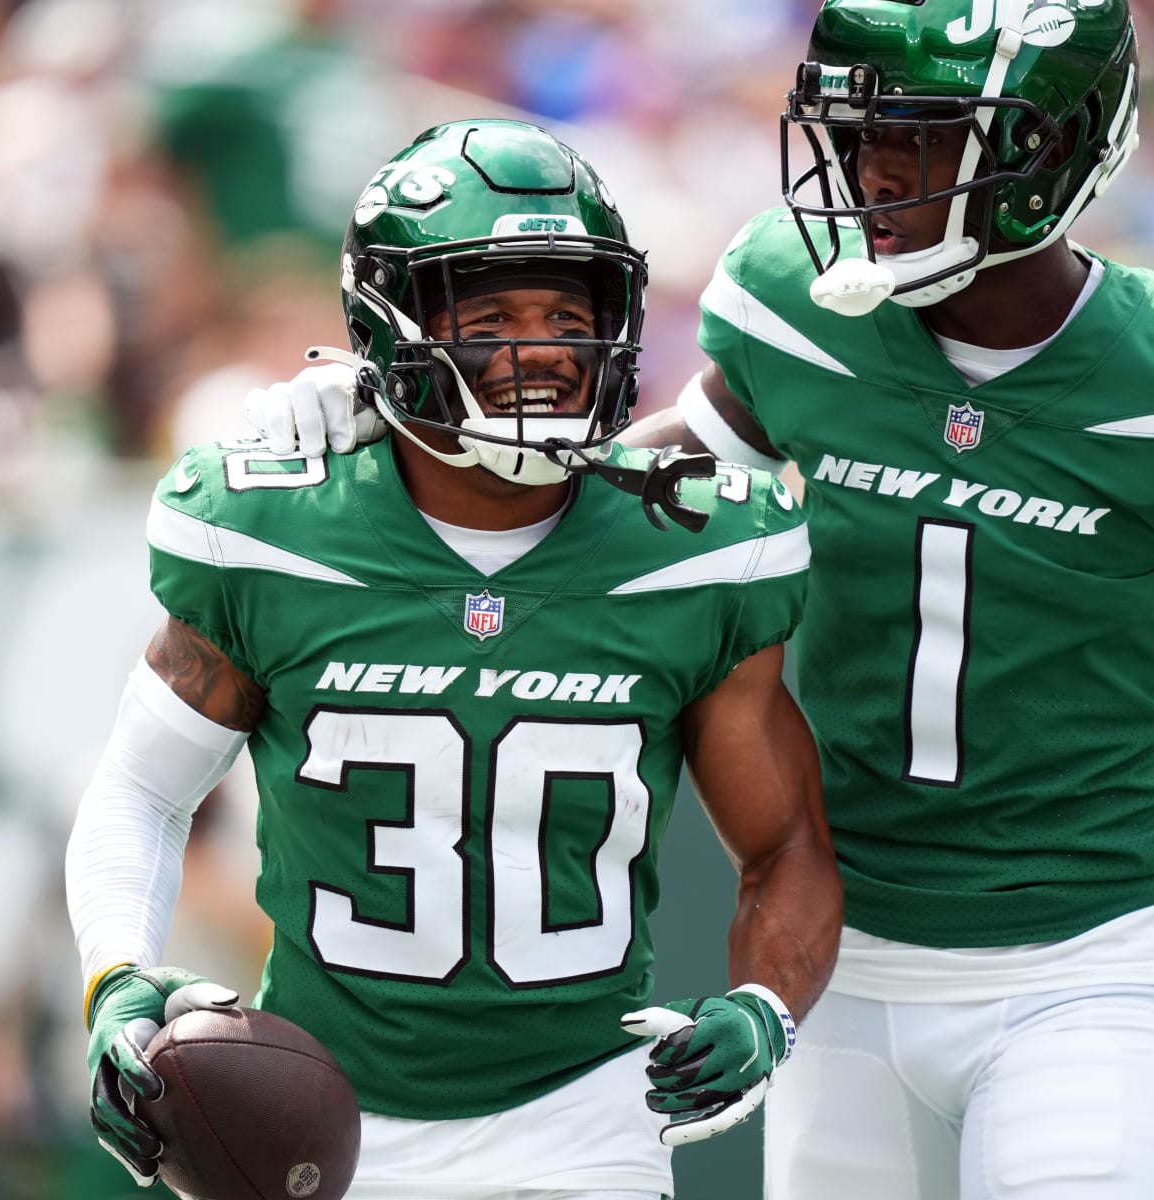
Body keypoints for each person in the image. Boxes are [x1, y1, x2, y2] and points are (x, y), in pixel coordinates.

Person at [248, 3, 1154, 1197]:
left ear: (1052, 152)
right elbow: (651, 484)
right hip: (848, 953)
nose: (866, 174)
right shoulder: (790, 296)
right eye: (854, 134)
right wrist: (410, 425)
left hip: (1087, 952)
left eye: (917, 142)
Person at [65, 118, 842, 1200]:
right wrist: (117, 976)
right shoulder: (270, 527)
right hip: (322, 1113)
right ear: (390, 328)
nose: (544, 352)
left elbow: (787, 844)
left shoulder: (701, 552)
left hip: (590, 1114)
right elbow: (142, 791)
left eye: (571, 313)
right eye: (491, 314)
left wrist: (765, 1007)